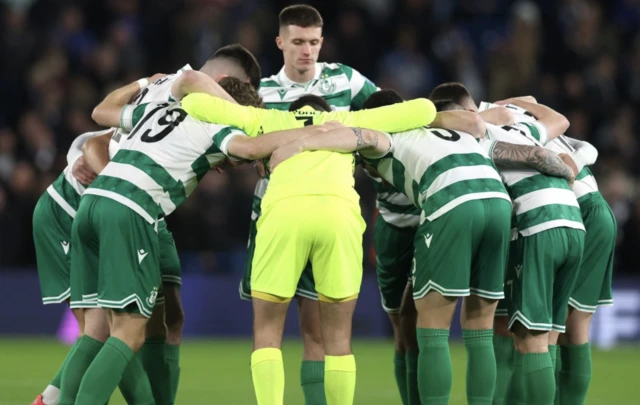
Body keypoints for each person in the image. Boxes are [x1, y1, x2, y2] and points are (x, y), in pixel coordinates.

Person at [429, 82, 590, 405]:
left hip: (538, 223)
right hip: (574, 223)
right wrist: (519, 102)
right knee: (549, 338)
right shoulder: (522, 126)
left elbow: (532, 155)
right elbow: (560, 122)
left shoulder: (478, 137)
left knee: (531, 342)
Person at [250, 6, 379, 402]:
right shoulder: (263, 92)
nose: (307, 51)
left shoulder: (346, 79)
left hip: (328, 206)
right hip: (279, 210)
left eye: (313, 43)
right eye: (298, 43)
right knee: (284, 327)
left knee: (316, 332)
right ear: (280, 43)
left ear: (322, 42)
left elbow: (384, 113)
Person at [479, 97, 616, 405]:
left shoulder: (496, 129)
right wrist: (575, 165)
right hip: (594, 210)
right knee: (570, 329)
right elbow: (588, 149)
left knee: (526, 329)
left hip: (560, 213)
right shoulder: (540, 128)